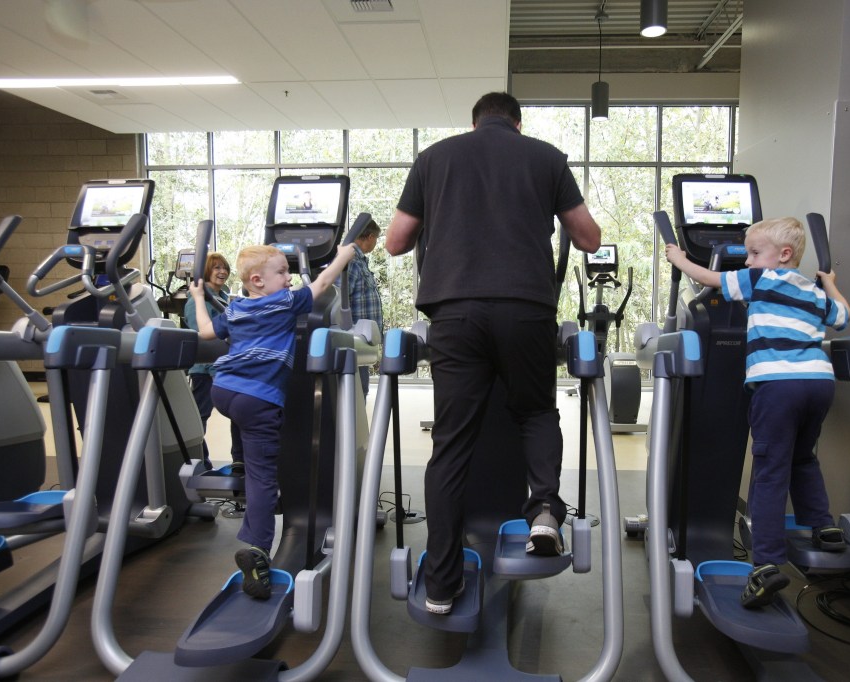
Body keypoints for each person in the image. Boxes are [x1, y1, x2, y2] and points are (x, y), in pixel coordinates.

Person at [385, 91, 602, 615]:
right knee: (533, 411)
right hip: (526, 308)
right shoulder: (546, 156)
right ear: (518, 123)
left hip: (454, 313)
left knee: (452, 442)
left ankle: (440, 583)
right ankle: (545, 513)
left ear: (474, 120)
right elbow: (589, 238)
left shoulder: (434, 157)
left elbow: (394, 242)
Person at [664, 216, 850, 609]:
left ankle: (765, 564)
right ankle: (823, 525)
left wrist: (679, 258)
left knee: (769, 470)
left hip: (777, 387)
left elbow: (712, 281)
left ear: (784, 255)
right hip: (819, 384)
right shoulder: (813, 291)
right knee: (803, 457)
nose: (747, 261)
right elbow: (843, 315)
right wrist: (829, 279)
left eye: (753, 253)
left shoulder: (763, 281)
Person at [189, 242, 355, 599]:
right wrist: (345, 253)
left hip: (224, 391)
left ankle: (244, 465)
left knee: (253, 456)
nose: (289, 277)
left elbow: (204, 331)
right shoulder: (284, 302)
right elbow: (324, 283)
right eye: (281, 272)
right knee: (263, 478)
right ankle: (257, 548)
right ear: (257, 281)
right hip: (258, 398)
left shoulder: (236, 308)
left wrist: (198, 297)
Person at [183, 252, 242, 472]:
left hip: (225, 365)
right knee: (199, 418)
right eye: (216, 268)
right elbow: (203, 339)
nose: (222, 272)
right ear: (206, 271)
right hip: (205, 369)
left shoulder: (225, 297)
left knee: (238, 413)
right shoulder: (195, 303)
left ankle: (239, 461)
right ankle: (200, 461)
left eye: (224, 268)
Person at [346, 222, 383, 399]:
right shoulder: (352, 262)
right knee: (359, 392)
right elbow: (340, 299)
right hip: (354, 338)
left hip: (363, 339)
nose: (376, 243)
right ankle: (353, 427)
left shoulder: (360, 262)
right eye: (376, 238)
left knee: (362, 390)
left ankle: (357, 426)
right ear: (370, 237)